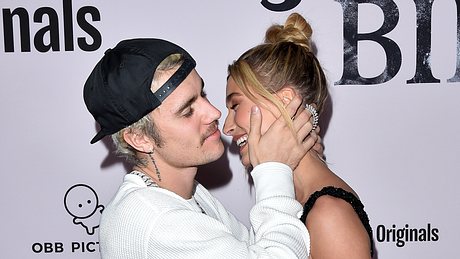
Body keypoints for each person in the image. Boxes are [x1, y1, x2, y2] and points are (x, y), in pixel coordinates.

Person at [83, 38, 321, 258]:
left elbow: (253, 248)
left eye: (203, 94)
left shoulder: (188, 194)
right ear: (139, 138)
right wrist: (274, 168)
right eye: (187, 111)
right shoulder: (156, 219)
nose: (214, 113)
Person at [223, 13, 374, 258]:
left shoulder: (329, 214)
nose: (226, 127)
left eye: (235, 106)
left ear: (285, 101)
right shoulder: (297, 202)